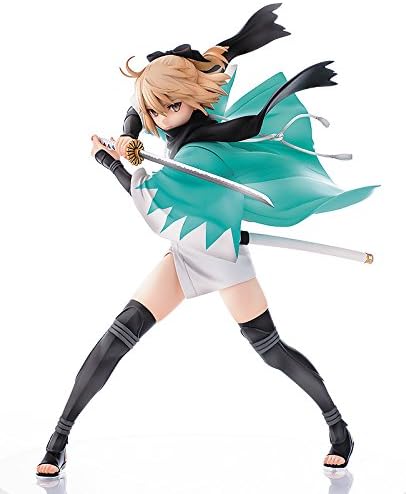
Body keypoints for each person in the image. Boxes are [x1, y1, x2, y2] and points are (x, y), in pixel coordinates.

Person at [36, 3, 377, 477]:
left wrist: (108, 161)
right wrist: (129, 133)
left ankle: (339, 429)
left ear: (191, 99)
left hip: (221, 254)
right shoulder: (169, 111)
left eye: (171, 107)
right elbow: (138, 108)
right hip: (185, 253)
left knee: (271, 351)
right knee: (117, 337)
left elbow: (152, 198)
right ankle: (58, 440)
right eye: (156, 109)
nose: (162, 117)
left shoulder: (201, 149)